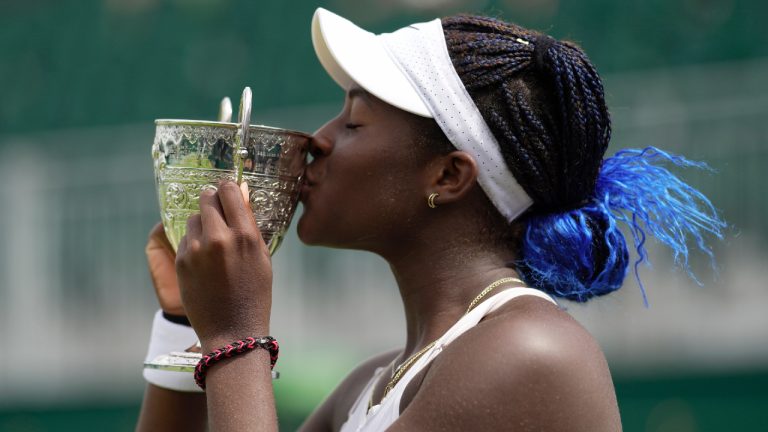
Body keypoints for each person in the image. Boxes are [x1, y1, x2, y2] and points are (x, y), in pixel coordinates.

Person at [136, 7, 724, 432]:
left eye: (355, 122)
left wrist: (236, 338)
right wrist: (186, 323)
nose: (319, 140)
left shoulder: (531, 354)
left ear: (447, 176)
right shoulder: (369, 387)